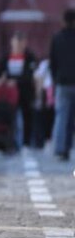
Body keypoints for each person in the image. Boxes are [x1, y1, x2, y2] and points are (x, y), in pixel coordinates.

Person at [0, 32, 36, 150]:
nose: (19, 46)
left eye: (21, 43)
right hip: (9, 94)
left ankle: (26, 143)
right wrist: (2, 80)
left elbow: (30, 75)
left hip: (25, 92)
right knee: (9, 118)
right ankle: (10, 142)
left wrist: (15, 81)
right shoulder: (6, 58)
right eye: (16, 43)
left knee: (27, 117)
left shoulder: (30, 57)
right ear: (12, 43)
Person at [48, 9, 75, 161]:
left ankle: (60, 149)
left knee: (61, 117)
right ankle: (68, 147)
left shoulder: (57, 38)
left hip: (62, 83)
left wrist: (55, 79)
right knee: (70, 119)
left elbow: (52, 62)